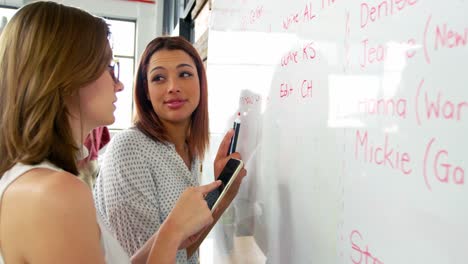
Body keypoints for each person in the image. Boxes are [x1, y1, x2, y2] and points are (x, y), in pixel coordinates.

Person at [0, 2, 221, 263]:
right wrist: (172, 233)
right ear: (67, 75)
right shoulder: (56, 194)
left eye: (185, 74)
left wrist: (177, 228)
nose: (119, 84)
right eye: (108, 67)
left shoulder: (45, 183)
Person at [93, 36, 247, 263]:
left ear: (200, 83)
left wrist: (223, 191)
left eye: (184, 74)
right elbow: (143, 260)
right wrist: (223, 199)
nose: (173, 87)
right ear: (145, 91)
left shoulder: (190, 149)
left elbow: (180, 249)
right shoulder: (129, 149)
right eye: (158, 78)